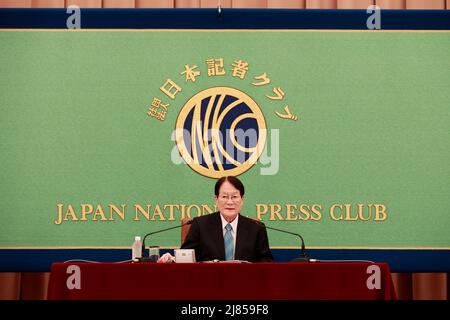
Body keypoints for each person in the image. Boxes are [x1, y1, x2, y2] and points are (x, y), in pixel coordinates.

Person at [158, 176, 273, 263]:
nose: (229, 202)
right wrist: (172, 259)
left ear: (242, 199)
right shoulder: (200, 225)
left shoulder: (256, 228)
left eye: (234, 197)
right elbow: (186, 257)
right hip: (207, 287)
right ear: (216, 199)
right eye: (224, 197)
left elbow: (266, 263)